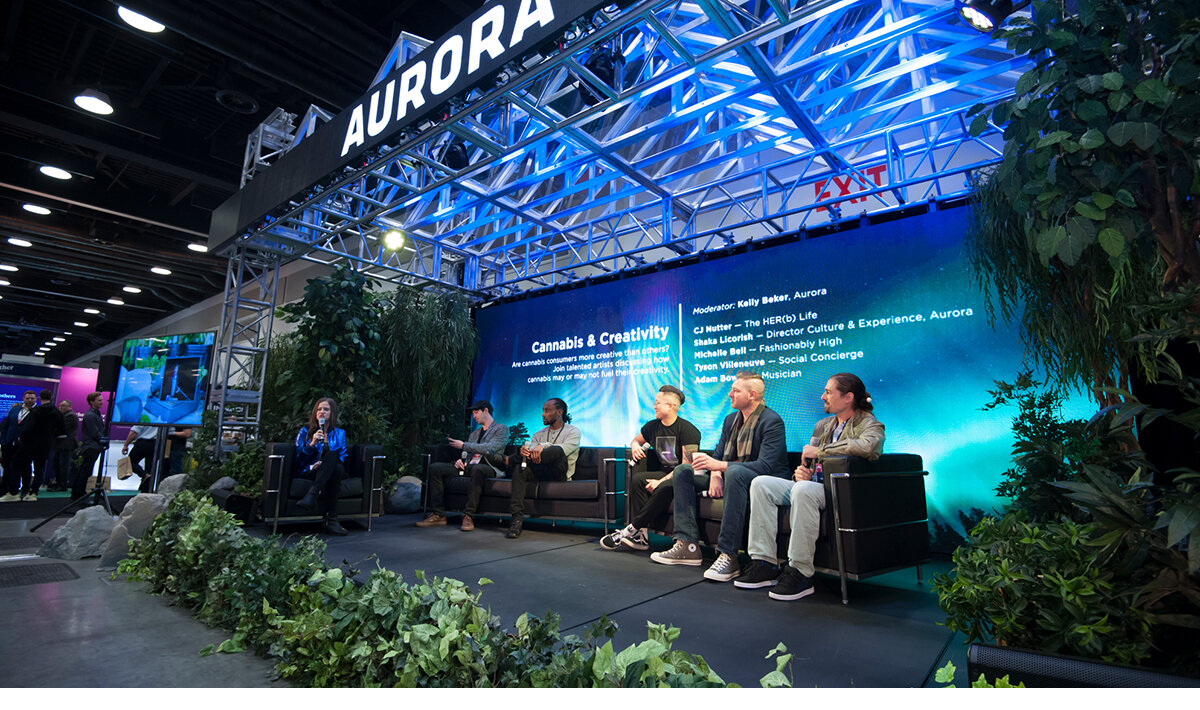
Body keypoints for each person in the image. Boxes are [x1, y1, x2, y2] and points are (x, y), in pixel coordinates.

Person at [734, 373, 885, 600]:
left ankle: (800, 573)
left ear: (848, 397)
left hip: (840, 490)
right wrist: (803, 472)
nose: (822, 396)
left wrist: (821, 453)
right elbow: (811, 462)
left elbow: (868, 447)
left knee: (803, 490)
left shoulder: (869, 423)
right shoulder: (823, 425)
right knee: (761, 484)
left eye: (828, 392)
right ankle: (763, 563)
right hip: (813, 486)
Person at [650, 371, 789, 582]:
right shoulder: (730, 420)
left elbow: (766, 465)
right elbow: (718, 454)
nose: (729, 394)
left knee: (735, 471)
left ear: (752, 395)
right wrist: (715, 474)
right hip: (731, 475)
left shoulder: (771, 421)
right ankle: (687, 544)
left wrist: (722, 467)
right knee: (682, 471)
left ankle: (729, 555)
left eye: (735, 390)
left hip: (763, 480)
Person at [600, 385, 701, 552]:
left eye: (658, 403)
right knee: (639, 479)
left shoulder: (688, 430)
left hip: (683, 478)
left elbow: (686, 467)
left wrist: (660, 481)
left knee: (665, 486)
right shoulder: (652, 426)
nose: (654, 406)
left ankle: (631, 529)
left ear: (671, 406)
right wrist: (634, 447)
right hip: (664, 473)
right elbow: (635, 440)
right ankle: (642, 536)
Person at [416, 400, 509, 531]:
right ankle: (439, 514)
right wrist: (460, 461)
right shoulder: (474, 434)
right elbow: (468, 454)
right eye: (473, 413)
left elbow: (491, 449)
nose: (474, 416)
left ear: (486, 411)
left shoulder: (501, 429)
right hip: (469, 466)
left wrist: (464, 445)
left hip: (489, 467)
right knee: (435, 468)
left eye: (476, 412)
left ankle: (468, 515)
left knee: (477, 469)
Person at [505, 398, 581, 539]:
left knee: (557, 450)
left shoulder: (573, 431)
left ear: (559, 412)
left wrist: (543, 446)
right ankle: (516, 520)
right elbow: (534, 453)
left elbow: (563, 451)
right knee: (520, 468)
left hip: (558, 473)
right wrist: (526, 451)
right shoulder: (538, 434)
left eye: (547, 410)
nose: (542, 414)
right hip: (538, 470)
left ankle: (510, 459)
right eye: (542, 410)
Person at [294, 397, 350, 535]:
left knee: (333, 458)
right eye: (319, 409)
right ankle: (331, 520)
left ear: (332, 413)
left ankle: (312, 494)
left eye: (326, 409)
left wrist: (325, 463)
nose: (322, 412)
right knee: (335, 469)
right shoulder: (305, 432)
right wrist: (312, 443)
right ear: (315, 412)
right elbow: (299, 459)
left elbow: (342, 456)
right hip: (312, 470)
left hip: (333, 467)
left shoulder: (340, 433)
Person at [12, 389, 66, 501]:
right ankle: (33, 493)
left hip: (30, 444)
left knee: (17, 464)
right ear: (51, 398)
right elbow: (61, 432)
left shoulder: (36, 411)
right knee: (39, 468)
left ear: (39, 398)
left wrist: (22, 438)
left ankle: (14, 492)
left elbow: (29, 428)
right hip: (45, 444)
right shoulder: (57, 412)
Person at [0, 391, 37, 502]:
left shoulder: (37, 412)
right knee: (7, 467)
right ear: (23, 398)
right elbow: (6, 425)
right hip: (9, 444)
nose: (30, 400)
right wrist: (4, 441)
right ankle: (6, 489)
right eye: (28, 398)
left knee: (25, 468)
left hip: (25, 446)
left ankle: (25, 490)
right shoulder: (15, 409)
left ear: (36, 399)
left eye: (32, 398)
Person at [71, 392, 107, 502]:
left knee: (86, 471)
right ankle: (78, 494)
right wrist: (104, 440)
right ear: (92, 402)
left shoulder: (95, 414)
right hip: (91, 447)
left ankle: (79, 494)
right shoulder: (90, 415)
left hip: (94, 446)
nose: (102, 402)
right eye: (99, 400)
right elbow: (94, 432)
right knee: (84, 471)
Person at [49, 400, 79, 491]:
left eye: (63, 406)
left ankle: (63, 485)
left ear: (69, 406)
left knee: (64, 466)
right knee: (58, 465)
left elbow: (62, 428)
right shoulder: (63, 415)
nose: (61, 407)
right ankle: (58, 483)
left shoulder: (70, 416)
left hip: (66, 444)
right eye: (60, 406)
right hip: (60, 444)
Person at [123, 424, 158, 492]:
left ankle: (143, 474)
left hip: (143, 443)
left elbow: (134, 432)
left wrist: (126, 445)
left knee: (129, 463)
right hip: (155, 444)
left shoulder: (144, 417)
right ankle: (146, 490)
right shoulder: (161, 418)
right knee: (150, 469)